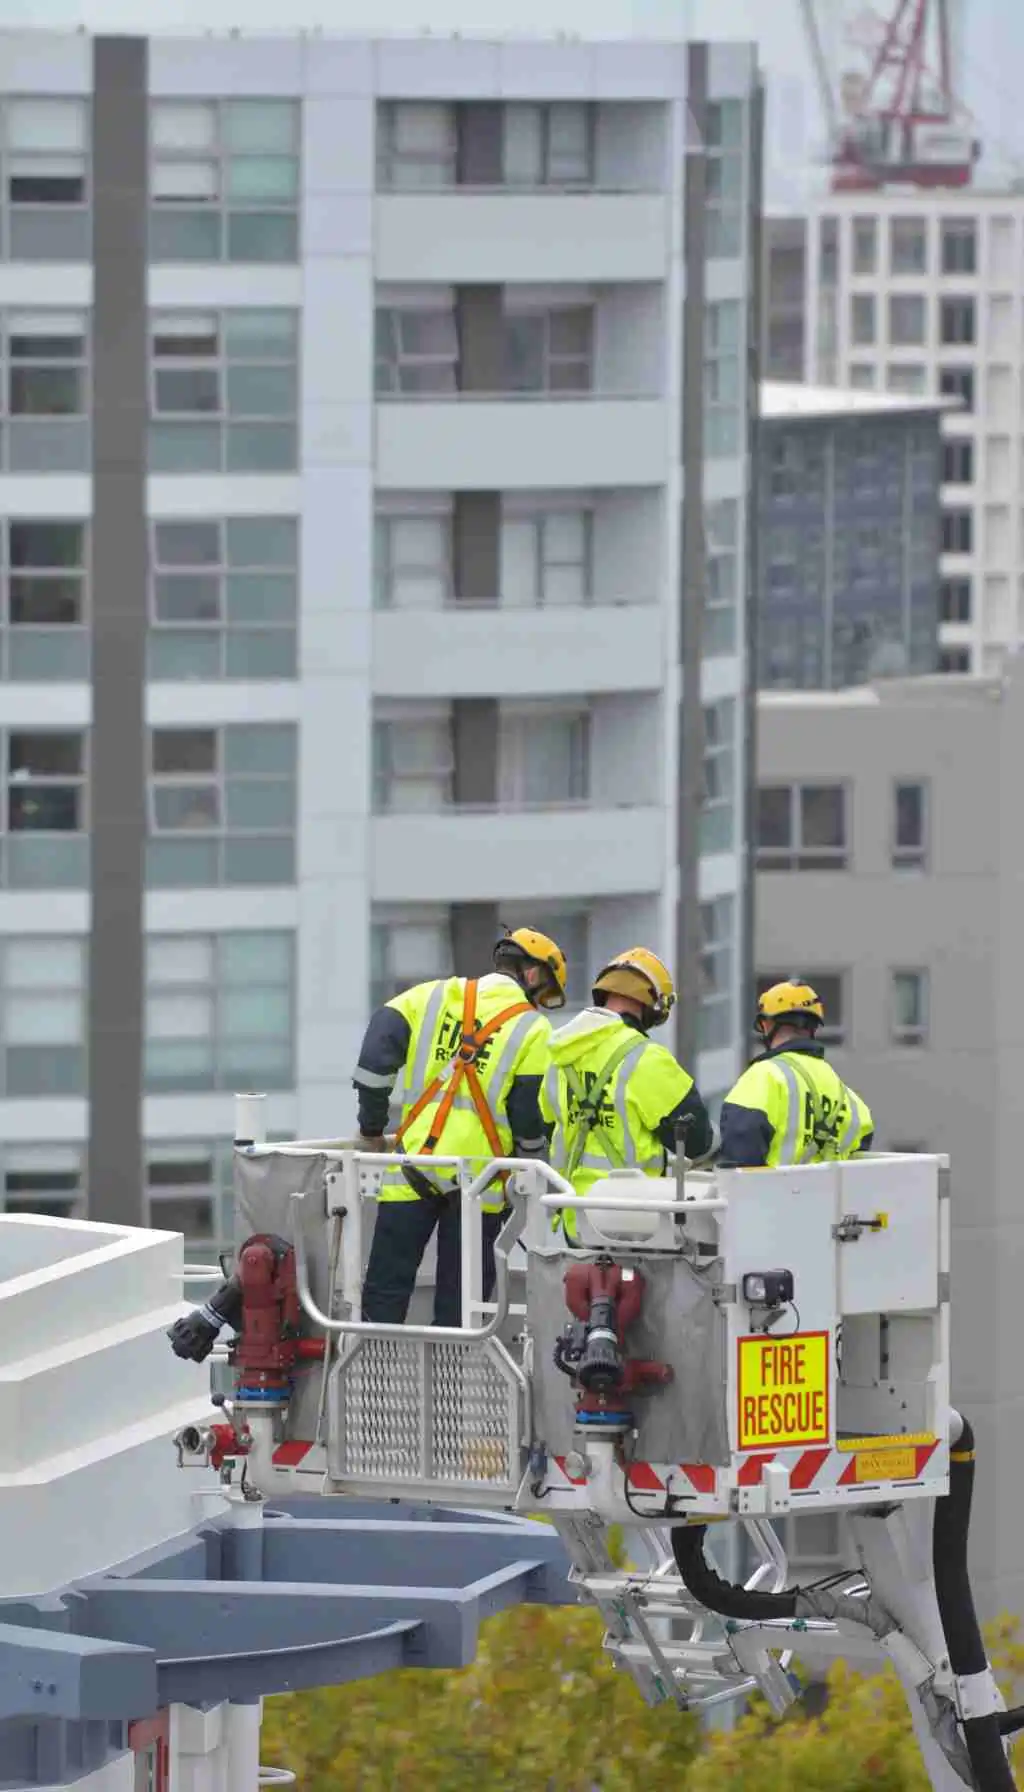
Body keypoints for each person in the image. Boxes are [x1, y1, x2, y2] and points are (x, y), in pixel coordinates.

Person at [354, 926, 566, 1327]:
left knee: (383, 1294)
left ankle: (370, 1382)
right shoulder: (533, 1029)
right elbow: (529, 1118)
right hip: (480, 1184)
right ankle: (448, 1388)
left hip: (411, 1169)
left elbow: (373, 1063)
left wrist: (371, 1127)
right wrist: (527, 1171)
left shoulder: (429, 996)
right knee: (461, 1309)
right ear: (533, 976)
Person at [541, 946, 715, 1242]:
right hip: (636, 1219)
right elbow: (699, 1142)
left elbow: (547, 1125)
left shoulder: (559, 1056)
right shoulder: (646, 1058)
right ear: (652, 1003)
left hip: (575, 1215)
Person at [719, 978, 874, 1167]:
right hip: (828, 1195)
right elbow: (864, 1133)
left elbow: (739, 1150)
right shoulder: (838, 1087)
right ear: (813, 1028)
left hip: (772, 1194)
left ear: (767, 1025)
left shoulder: (764, 1076)